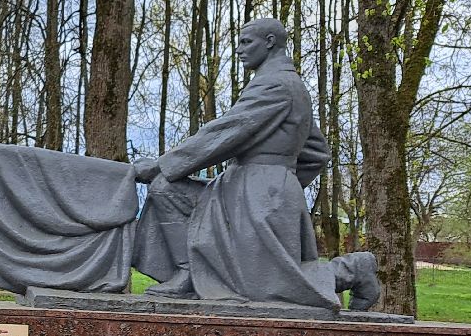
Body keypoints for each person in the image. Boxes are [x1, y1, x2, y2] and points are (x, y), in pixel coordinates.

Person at [132, 17, 379, 310]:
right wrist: (286, 185)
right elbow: (317, 151)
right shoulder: (289, 84)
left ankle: (354, 269)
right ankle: (189, 272)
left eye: (246, 42)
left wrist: (162, 164)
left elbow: (228, 131)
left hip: (258, 191)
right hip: (256, 187)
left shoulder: (276, 84)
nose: (239, 50)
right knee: (166, 189)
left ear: (270, 42)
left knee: (268, 284)